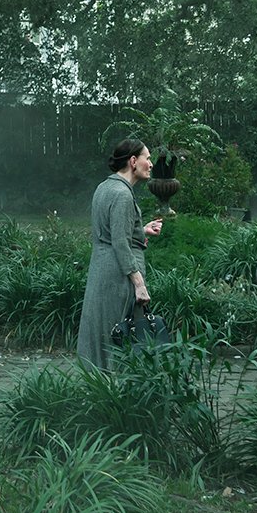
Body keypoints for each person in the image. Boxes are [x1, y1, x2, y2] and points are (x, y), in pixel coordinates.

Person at [76, 138, 165, 368]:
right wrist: (139, 283)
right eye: (147, 158)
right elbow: (120, 243)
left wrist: (140, 230)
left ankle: (96, 383)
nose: (151, 164)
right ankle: (117, 391)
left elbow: (110, 230)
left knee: (100, 330)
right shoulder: (123, 195)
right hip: (118, 276)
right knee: (120, 333)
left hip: (100, 270)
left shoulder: (104, 187)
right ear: (133, 161)